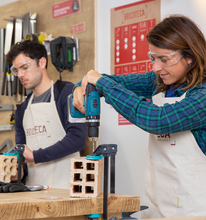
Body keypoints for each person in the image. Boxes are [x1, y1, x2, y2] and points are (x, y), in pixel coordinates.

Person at [72, 15, 206, 218]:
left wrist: (101, 83)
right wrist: (82, 86)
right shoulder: (161, 83)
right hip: (158, 203)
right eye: (153, 58)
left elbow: (157, 120)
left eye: (164, 59)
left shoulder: (202, 96)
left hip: (194, 209)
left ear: (190, 56)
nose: (156, 67)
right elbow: (110, 82)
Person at [6, 40, 87, 189]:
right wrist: (18, 173)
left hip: (67, 190)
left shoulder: (66, 93)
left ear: (42, 62)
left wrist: (36, 156)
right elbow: (24, 155)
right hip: (34, 193)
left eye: (25, 67)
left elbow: (78, 139)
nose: (20, 75)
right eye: (16, 70)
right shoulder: (22, 110)